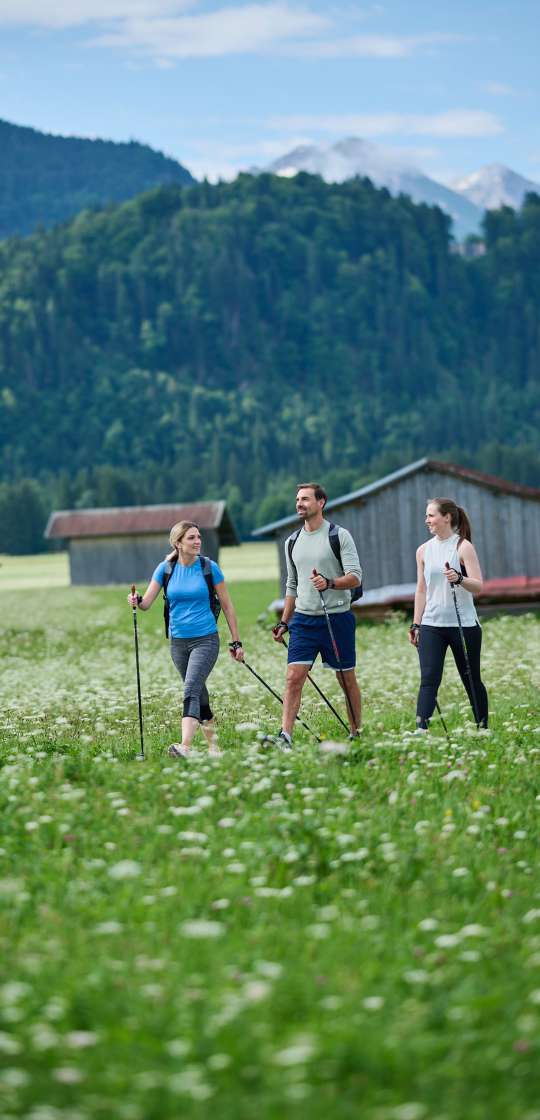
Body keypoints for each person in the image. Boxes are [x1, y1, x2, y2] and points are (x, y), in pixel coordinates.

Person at [127, 521, 244, 758]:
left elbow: (228, 606)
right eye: (191, 538)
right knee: (198, 691)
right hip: (178, 643)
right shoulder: (165, 569)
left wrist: (236, 641)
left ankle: (185, 747)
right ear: (178, 543)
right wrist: (136, 600)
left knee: (190, 688)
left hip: (206, 640)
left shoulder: (209, 568)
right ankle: (214, 748)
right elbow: (147, 603)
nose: (198, 541)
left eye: (198, 537)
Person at [266, 483, 363, 749]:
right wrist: (284, 621)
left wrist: (330, 583)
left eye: (305, 499)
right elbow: (292, 585)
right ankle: (285, 736)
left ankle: (356, 733)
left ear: (321, 502)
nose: (299, 503)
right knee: (293, 677)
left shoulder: (339, 535)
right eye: (297, 499)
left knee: (345, 679)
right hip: (304, 621)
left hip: (337, 617)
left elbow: (356, 577)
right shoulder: (292, 542)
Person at [408, 497, 489, 731]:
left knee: (471, 679)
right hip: (432, 625)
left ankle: (483, 728)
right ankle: (420, 730)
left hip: (464, 625)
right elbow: (421, 589)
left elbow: (478, 585)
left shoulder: (463, 547)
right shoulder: (423, 550)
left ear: (447, 517)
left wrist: (460, 578)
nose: (427, 520)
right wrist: (416, 624)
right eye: (426, 516)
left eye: (431, 515)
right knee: (429, 680)